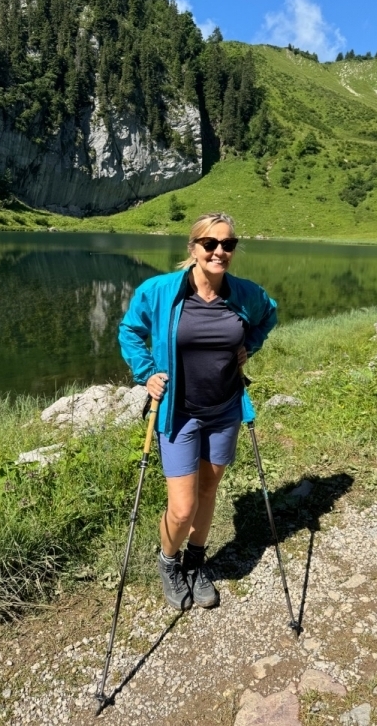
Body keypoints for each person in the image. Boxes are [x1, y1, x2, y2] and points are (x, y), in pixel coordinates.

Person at [118, 212, 277, 610]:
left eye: (228, 244)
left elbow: (268, 314)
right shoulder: (160, 291)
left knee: (208, 490)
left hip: (225, 411)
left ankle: (195, 561)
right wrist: (146, 372)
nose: (219, 251)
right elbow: (130, 330)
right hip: (179, 414)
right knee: (182, 507)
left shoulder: (244, 294)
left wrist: (249, 346)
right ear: (193, 248)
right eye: (210, 243)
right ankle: (168, 561)